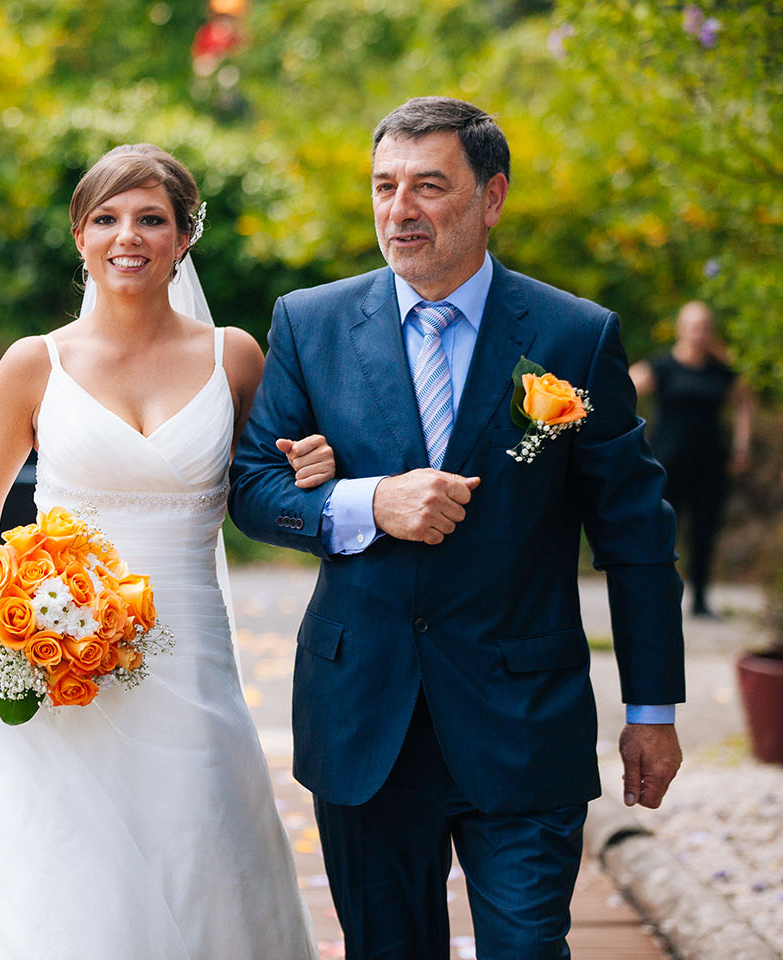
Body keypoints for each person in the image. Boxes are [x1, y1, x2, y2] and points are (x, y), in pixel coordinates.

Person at [229, 97, 686, 959]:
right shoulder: (309, 323)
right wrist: (367, 503)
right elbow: (252, 490)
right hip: (363, 717)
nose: (399, 211)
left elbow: (635, 537)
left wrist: (651, 708)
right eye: (384, 187)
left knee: (526, 949)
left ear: (493, 196)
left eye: (429, 186)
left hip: (522, 716)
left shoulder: (573, 338)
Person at [0, 144, 325, 958]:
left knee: (198, 852)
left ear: (184, 237)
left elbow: (264, 484)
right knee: (60, 877)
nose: (128, 236)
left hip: (191, 658)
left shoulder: (233, 356)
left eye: (151, 219)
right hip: (55, 661)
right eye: (107, 218)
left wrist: (313, 467)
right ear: (80, 236)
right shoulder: (34, 363)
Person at [630, 300, 754, 617]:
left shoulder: (721, 370)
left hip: (710, 465)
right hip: (666, 465)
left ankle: (699, 600)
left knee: (704, 533)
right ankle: (657, 595)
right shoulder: (663, 366)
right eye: (692, 326)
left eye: (703, 327)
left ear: (709, 331)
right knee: (662, 532)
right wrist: (626, 439)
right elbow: (623, 390)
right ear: (681, 329)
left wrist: (742, 446)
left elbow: (744, 402)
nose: (698, 333)